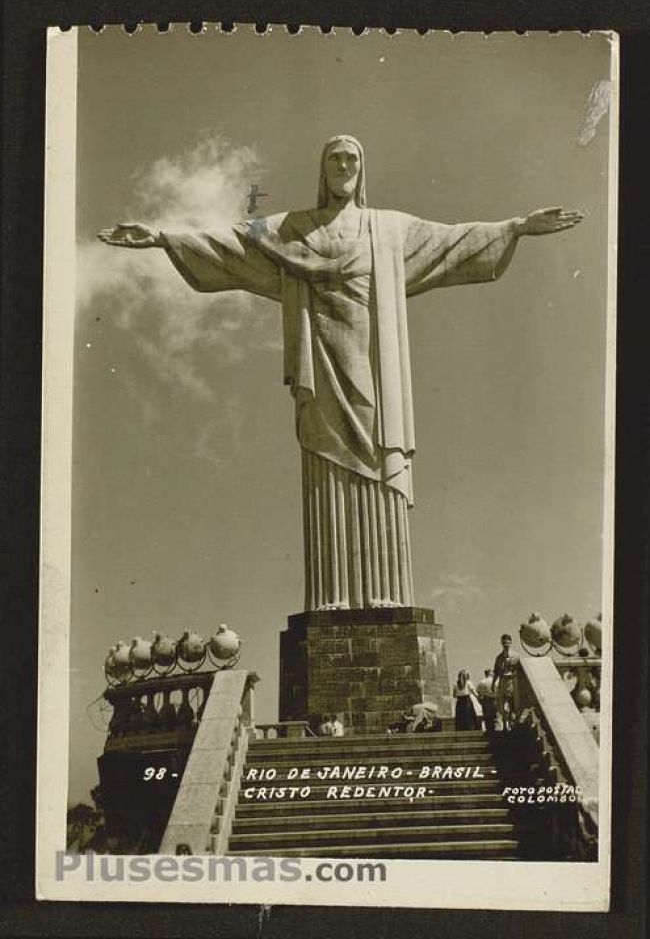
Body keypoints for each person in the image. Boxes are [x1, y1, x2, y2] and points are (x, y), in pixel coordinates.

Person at [99, 136, 582, 612]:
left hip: (375, 363)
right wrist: (164, 237)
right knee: (326, 462)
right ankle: (332, 596)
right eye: (336, 158)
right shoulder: (291, 230)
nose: (345, 165)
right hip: (322, 364)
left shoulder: (389, 230)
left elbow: (453, 240)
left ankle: (388, 594)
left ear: (362, 168)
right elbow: (230, 244)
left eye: (353, 158)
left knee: (378, 457)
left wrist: (517, 226)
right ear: (322, 169)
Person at [491, 634, 520, 731]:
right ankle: (504, 723)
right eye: (504, 643)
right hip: (502, 681)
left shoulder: (516, 656)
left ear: (511, 643)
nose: (506, 644)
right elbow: (496, 671)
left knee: (512, 704)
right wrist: (493, 683)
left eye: (507, 642)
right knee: (501, 704)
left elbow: (520, 670)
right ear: (501, 643)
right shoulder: (499, 657)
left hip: (512, 681)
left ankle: (513, 724)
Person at [476, 668, 497, 732]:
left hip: (486, 700)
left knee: (487, 718)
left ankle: (489, 731)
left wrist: (481, 702)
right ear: (490, 673)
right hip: (496, 699)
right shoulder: (496, 681)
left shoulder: (482, 682)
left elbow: (478, 694)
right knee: (496, 717)